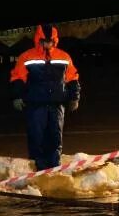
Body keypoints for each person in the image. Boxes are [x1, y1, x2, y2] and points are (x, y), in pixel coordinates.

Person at [9, 23, 82, 170]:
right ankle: (38, 169)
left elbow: (72, 77)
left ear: (55, 40)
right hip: (36, 105)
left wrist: (75, 96)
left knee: (55, 138)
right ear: (38, 40)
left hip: (57, 104)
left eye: (50, 41)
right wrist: (17, 96)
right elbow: (17, 78)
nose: (47, 44)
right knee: (37, 138)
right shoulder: (27, 56)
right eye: (45, 41)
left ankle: (54, 167)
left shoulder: (63, 56)